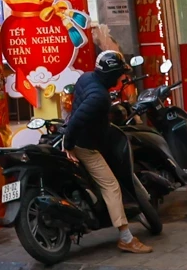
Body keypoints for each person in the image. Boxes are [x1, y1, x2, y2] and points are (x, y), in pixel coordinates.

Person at [63, 51, 153, 253]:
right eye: (119, 74)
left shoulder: (85, 77)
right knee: (112, 186)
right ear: (110, 74)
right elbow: (78, 120)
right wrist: (68, 145)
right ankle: (126, 238)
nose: (122, 77)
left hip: (85, 136)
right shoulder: (99, 97)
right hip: (84, 145)